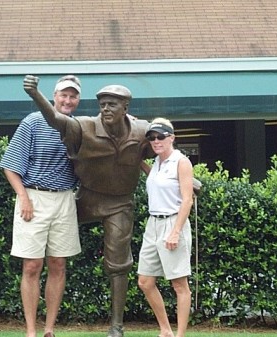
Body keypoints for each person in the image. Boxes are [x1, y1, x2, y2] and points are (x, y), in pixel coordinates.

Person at [23, 75, 154, 337]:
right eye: (102, 104)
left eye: (112, 105)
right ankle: (37, 325)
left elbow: (161, 151)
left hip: (119, 203)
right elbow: (56, 120)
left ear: (125, 108)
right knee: (45, 254)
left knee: (118, 263)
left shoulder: (142, 131)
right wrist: (36, 95)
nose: (105, 109)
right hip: (86, 199)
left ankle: (116, 326)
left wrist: (182, 178)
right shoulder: (83, 127)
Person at [0, 75, 82, 337]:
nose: (68, 100)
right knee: (32, 265)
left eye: (73, 96)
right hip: (33, 198)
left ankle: (49, 329)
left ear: (78, 100)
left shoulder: (79, 127)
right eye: (64, 95)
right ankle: (31, 331)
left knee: (58, 264)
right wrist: (24, 198)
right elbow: (10, 167)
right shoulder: (33, 122)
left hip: (65, 199)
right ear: (54, 96)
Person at [137, 118, 194, 337]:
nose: (156, 141)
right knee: (145, 281)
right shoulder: (158, 164)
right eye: (152, 137)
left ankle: (179, 335)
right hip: (153, 224)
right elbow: (153, 177)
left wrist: (176, 231)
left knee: (180, 285)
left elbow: (187, 200)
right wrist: (137, 161)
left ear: (172, 137)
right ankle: (165, 330)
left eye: (161, 136)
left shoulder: (181, 162)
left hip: (173, 222)